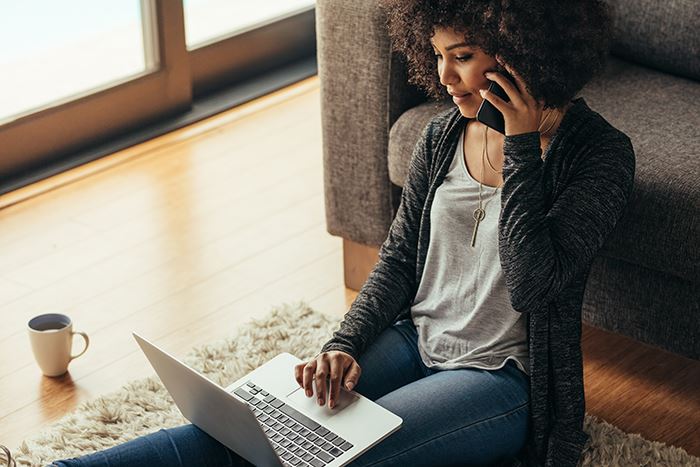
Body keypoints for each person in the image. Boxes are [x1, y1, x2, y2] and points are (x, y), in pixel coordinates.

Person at [52, 0, 634, 466]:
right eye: (436, 55)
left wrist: (521, 147)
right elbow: (400, 261)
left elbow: (535, 284)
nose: (445, 77)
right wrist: (343, 344)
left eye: (462, 55)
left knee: (336, 457)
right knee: (256, 426)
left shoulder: (601, 156)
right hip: (415, 338)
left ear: (520, 51)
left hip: (501, 379)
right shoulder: (441, 136)